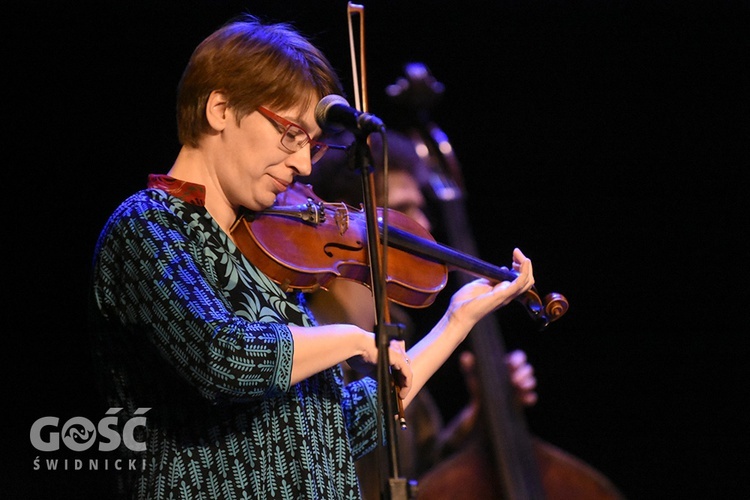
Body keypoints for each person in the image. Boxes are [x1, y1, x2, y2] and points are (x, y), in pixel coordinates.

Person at [88, 14, 535, 499]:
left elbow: (340, 428)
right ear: (219, 108)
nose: (303, 166)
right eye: (290, 135)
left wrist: (455, 321)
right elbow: (222, 358)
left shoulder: (264, 258)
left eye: (313, 148)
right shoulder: (148, 225)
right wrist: (353, 339)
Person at [300, 129, 538, 498]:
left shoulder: (397, 332)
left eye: (421, 209)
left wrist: (478, 415)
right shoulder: (311, 339)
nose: (424, 228)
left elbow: (424, 472)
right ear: (347, 225)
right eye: (405, 211)